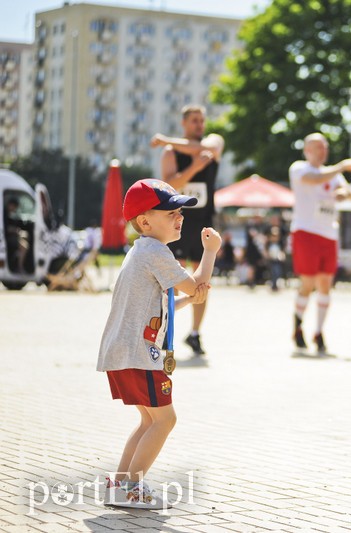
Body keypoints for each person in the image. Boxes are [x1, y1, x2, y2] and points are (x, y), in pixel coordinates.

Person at [97, 179, 221, 507]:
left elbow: (163, 301)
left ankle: (121, 485)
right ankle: (131, 489)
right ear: (145, 221)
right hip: (139, 354)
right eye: (170, 212)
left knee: (150, 420)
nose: (179, 216)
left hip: (124, 352)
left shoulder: (142, 250)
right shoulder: (155, 251)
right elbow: (196, 285)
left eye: (179, 211)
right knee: (165, 420)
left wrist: (187, 302)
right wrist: (210, 252)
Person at [151, 104, 225, 357]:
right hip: (177, 224)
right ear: (184, 123)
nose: (199, 125)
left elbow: (210, 149)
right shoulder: (171, 152)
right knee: (171, 279)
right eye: (194, 121)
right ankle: (165, 329)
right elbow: (170, 186)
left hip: (204, 222)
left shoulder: (213, 142)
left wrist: (164, 140)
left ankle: (195, 333)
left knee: (203, 279)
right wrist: (195, 167)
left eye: (202, 120)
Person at [289, 132, 351, 353]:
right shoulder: (300, 168)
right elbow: (314, 180)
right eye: (318, 147)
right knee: (308, 282)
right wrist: (341, 167)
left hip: (329, 234)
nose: (323, 151)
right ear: (307, 150)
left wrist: (343, 193)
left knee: (326, 285)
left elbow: (349, 191)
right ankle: (298, 323)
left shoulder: (333, 174)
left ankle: (319, 332)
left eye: (325, 146)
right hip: (306, 231)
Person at [3, 197, 30, 273]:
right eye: (15, 207)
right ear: (11, 205)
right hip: (6, 238)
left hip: (10, 236)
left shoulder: (7, 213)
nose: (15, 210)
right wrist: (16, 231)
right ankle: (19, 267)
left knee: (26, 236)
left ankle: (17, 256)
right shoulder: (4, 213)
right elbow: (6, 228)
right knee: (24, 246)